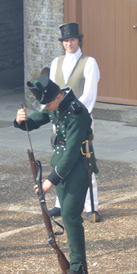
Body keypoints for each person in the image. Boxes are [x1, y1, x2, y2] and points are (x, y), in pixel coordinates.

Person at [15, 72, 97, 274]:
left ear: (58, 97)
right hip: (61, 164)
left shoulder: (77, 113)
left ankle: (78, 268)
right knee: (69, 217)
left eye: (48, 104)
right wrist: (21, 120)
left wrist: (50, 181)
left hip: (78, 166)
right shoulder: (55, 105)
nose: (47, 108)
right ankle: (75, 267)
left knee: (70, 216)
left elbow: (71, 153)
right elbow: (35, 120)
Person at [47, 22, 102, 223]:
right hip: (59, 121)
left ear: (79, 40)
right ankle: (60, 203)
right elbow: (52, 92)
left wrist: (74, 115)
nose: (69, 43)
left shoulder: (89, 63)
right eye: (66, 41)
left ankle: (92, 206)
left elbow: (89, 94)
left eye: (72, 39)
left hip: (81, 120)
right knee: (61, 158)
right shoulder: (56, 63)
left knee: (85, 160)